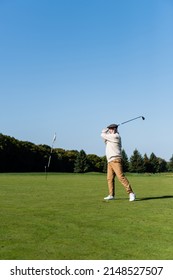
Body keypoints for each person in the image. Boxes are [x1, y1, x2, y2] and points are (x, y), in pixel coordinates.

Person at [101, 123, 136, 201]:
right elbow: (104, 139)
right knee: (109, 178)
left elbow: (102, 135)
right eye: (109, 129)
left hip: (116, 159)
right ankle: (111, 195)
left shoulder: (116, 136)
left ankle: (131, 193)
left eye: (111, 128)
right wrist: (105, 132)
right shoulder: (110, 138)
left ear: (115, 129)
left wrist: (104, 131)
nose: (110, 130)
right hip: (110, 161)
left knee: (121, 177)